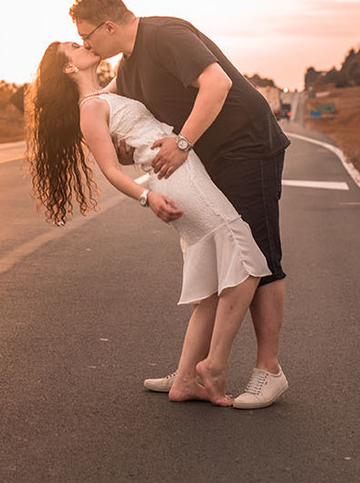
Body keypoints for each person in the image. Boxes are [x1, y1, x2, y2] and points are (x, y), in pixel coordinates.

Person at [69, 0, 290, 409]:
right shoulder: (128, 69)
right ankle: (189, 373)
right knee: (217, 252)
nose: (86, 45)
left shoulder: (165, 34)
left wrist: (182, 142)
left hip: (247, 146)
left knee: (259, 256)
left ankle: (269, 370)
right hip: (208, 161)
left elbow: (217, 82)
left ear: (109, 26)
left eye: (87, 36)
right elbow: (111, 110)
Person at [26, 41, 270, 406]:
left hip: (178, 173)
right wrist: (148, 198)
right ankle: (214, 368)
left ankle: (185, 380)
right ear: (67, 69)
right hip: (176, 177)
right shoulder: (89, 109)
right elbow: (110, 169)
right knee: (248, 262)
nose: (85, 44)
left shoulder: (103, 95)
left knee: (208, 289)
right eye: (75, 46)